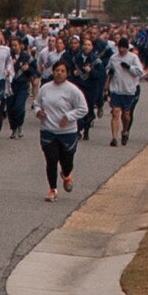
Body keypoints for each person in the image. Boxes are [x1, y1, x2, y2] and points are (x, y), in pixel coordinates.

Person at [35, 59, 86, 200]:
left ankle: (66, 174)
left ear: (67, 73)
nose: (59, 73)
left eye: (62, 71)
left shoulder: (73, 90)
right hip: (48, 130)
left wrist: (68, 116)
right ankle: (53, 189)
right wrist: (38, 112)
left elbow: (83, 109)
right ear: (53, 72)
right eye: (57, 70)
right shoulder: (45, 88)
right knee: (51, 160)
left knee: (67, 161)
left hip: (67, 132)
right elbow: (37, 103)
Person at [106, 38, 145, 148]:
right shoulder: (113, 58)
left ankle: (125, 131)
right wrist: (110, 72)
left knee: (126, 115)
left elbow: (140, 72)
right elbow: (107, 68)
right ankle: (114, 138)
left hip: (128, 90)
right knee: (115, 112)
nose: (122, 49)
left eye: (124, 47)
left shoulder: (133, 58)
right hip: (116, 89)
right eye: (120, 47)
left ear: (127, 48)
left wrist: (129, 67)